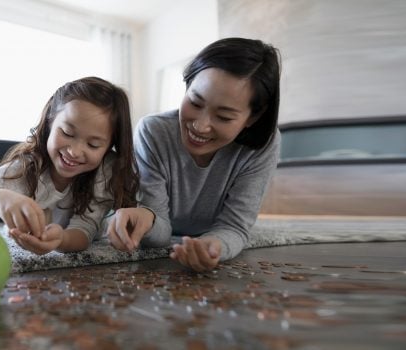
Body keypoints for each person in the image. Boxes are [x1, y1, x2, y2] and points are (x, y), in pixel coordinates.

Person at [107, 37, 281, 272]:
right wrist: (145, 220)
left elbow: (235, 227)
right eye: (195, 103)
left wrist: (214, 246)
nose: (200, 126)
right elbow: (159, 228)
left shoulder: (263, 145)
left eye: (224, 117)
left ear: (253, 118)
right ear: (187, 86)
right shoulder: (153, 131)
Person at [0, 76, 139, 255]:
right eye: (67, 133)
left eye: (93, 145)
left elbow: (85, 230)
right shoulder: (26, 169)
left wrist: (61, 239)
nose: (74, 151)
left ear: (109, 147)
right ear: (50, 122)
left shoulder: (105, 173)